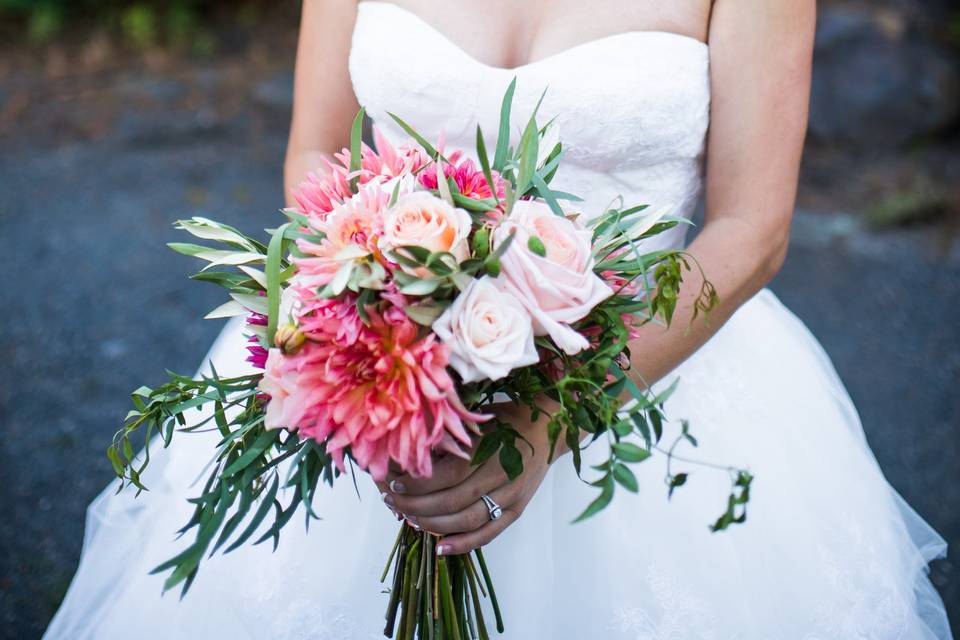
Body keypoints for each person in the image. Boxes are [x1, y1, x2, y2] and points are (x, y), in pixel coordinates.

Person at [45, 1, 952, 637]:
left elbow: (751, 230)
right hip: (382, 375)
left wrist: (550, 418)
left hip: (651, 379)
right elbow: (318, 148)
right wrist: (373, 344)